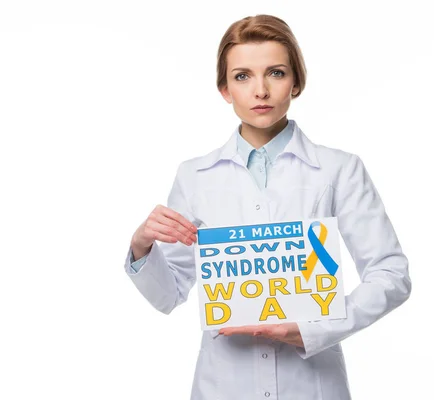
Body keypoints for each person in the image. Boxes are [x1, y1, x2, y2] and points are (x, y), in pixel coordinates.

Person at [124, 14, 411, 400]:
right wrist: (142, 247)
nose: (260, 90)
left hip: (312, 386)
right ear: (224, 89)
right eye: (242, 76)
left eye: (275, 73)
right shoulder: (195, 176)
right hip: (223, 387)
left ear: (296, 83)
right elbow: (169, 293)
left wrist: (312, 329)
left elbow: (390, 274)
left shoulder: (339, 169)